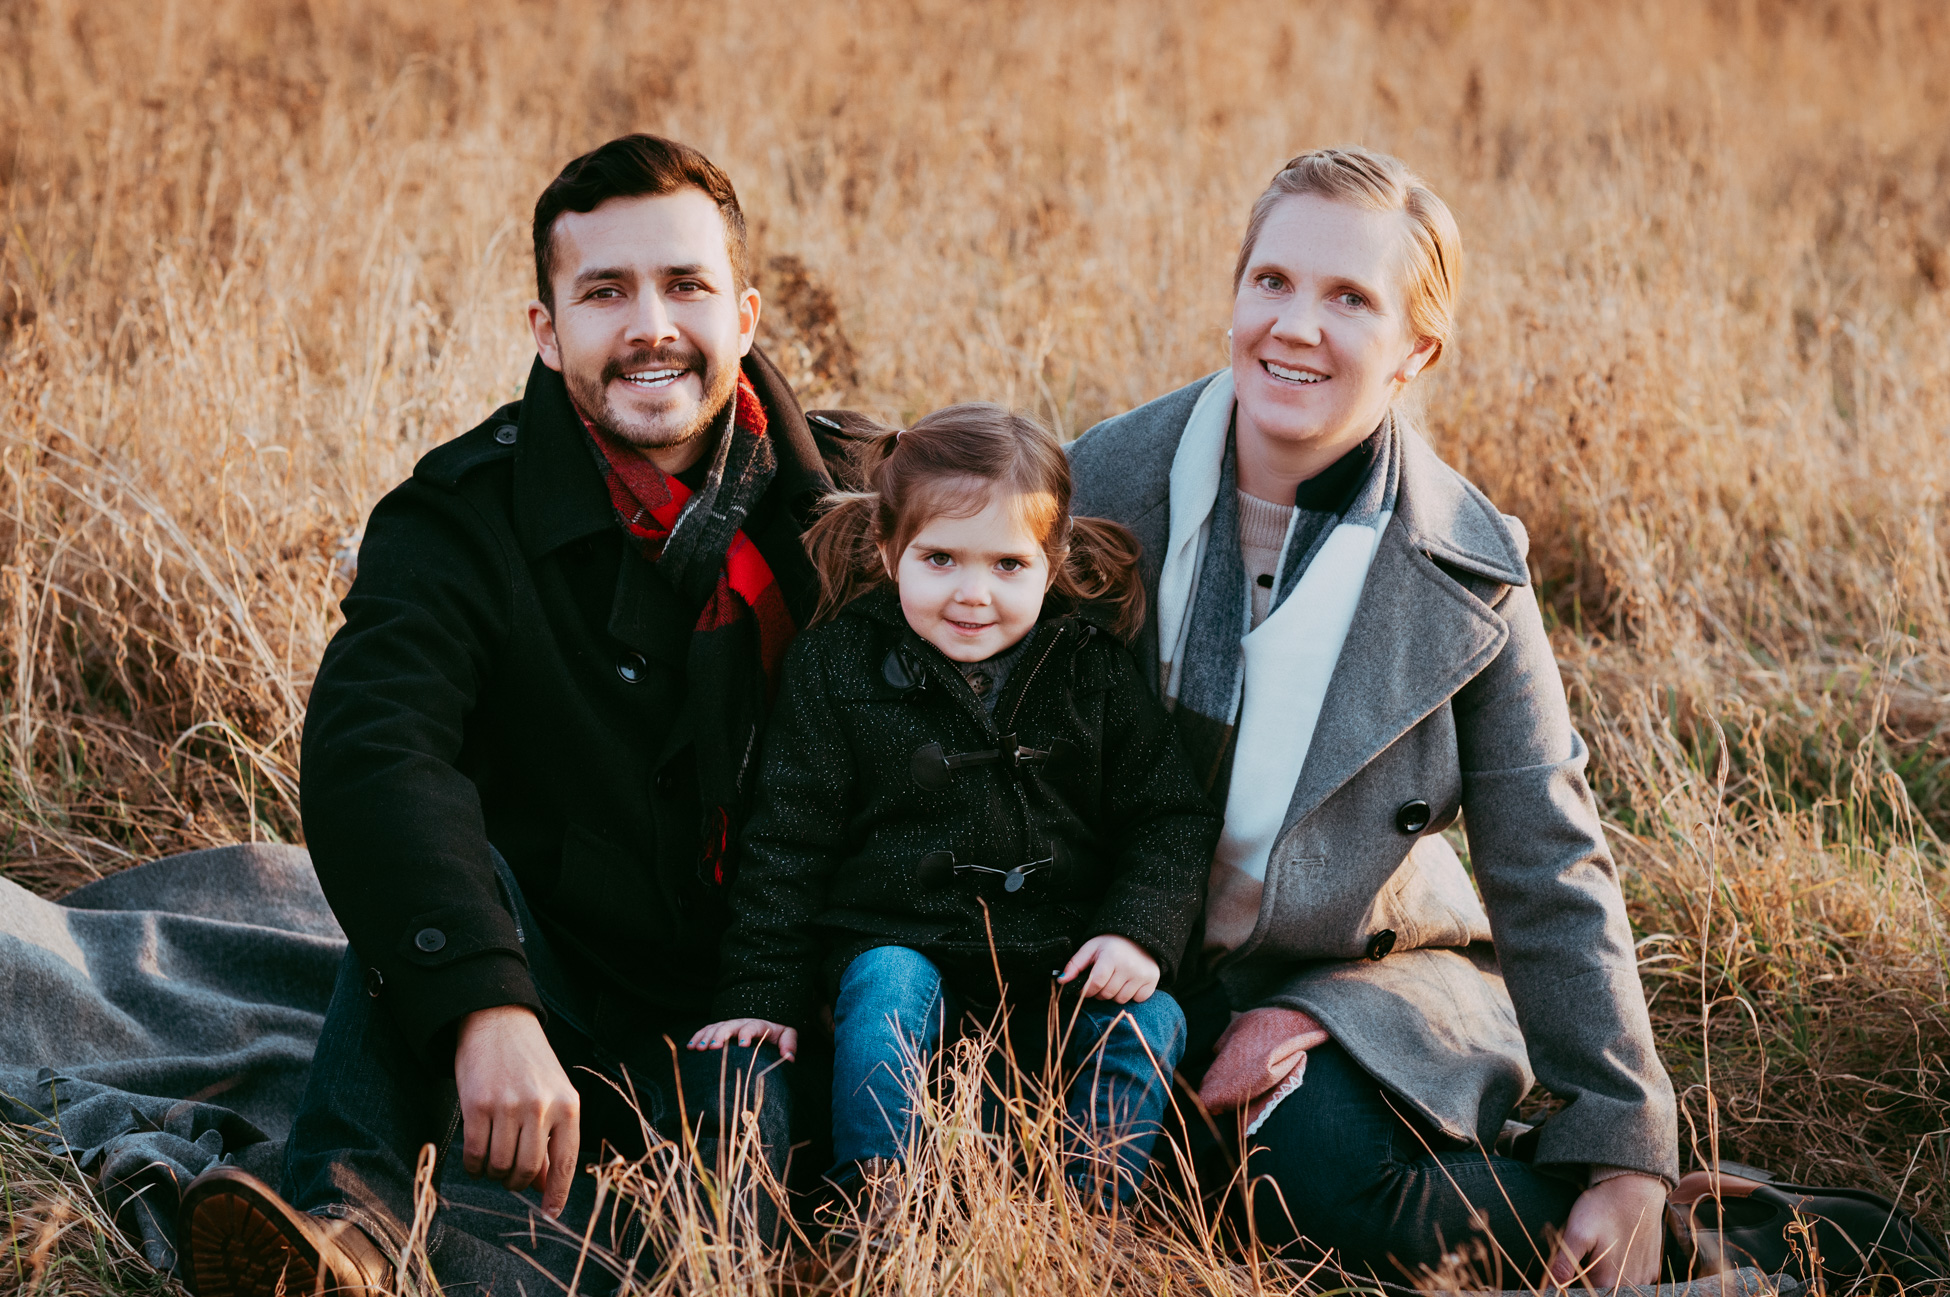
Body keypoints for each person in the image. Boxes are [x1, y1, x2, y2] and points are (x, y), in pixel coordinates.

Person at [179, 134, 861, 1296]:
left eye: (685, 286)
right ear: (547, 330)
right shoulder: (458, 518)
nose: (651, 326)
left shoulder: (853, 513)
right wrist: (487, 1002)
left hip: (765, 1002)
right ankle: (338, 1225)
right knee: (434, 890)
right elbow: (375, 750)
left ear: (744, 314)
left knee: (714, 1253)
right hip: (556, 969)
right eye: (605, 292)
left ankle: (446, 1253)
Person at [1067, 146, 1679, 1287]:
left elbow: (1547, 853)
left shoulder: (1469, 570)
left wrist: (1624, 1146)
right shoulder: (1093, 488)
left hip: (1361, 966)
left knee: (1301, 1175)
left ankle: (1714, 1236)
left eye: (1352, 299)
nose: (1296, 325)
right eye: (1273, 282)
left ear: (1415, 353)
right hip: (1104, 942)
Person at [687, 404, 1221, 1204]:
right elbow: (787, 844)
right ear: (890, 549)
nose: (973, 595)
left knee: (1154, 1021)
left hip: (1059, 966)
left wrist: (1136, 932)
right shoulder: (836, 666)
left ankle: (1090, 1210)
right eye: (940, 558)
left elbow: (1168, 816)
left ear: (1053, 560)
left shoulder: (1090, 670)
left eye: (1008, 565)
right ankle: (883, 1199)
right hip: (902, 949)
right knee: (888, 983)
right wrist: (760, 999)